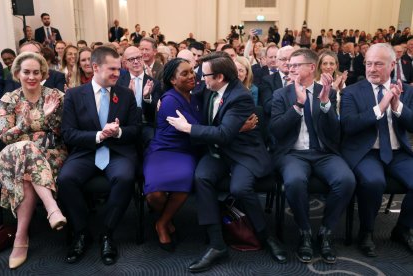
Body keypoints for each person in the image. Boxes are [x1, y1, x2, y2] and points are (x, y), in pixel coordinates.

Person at [167, 52, 287, 273]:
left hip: (242, 152)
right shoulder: (209, 87)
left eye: (205, 76)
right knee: (201, 177)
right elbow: (177, 88)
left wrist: (188, 128)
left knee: (240, 188)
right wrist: (160, 101)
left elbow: (223, 134)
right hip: (218, 151)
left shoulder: (240, 96)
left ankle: (266, 236)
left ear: (220, 77)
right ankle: (216, 244)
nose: (200, 80)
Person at [270, 48, 356, 264]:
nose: (291, 69)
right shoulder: (282, 94)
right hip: (293, 153)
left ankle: (326, 231)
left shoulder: (326, 90)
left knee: (346, 180)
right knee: (295, 181)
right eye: (290, 65)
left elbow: (335, 134)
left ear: (310, 67)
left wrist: (326, 103)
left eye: (296, 65)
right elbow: (276, 131)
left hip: (323, 152)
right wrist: (298, 105)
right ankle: (304, 232)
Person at [57, 46, 140, 265]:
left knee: (124, 178)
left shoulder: (126, 94)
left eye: (118, 68)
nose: (117, 73)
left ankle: (107, 233)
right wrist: (98, 135)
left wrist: (119, 131)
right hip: (86, 150)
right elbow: (68, 133)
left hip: (117, 151)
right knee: (65, 180)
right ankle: (82, 232)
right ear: (95, 67)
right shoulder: (74, 95)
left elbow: (136, 129)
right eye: (112, 69)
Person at [340, 43, 413, 257]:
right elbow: (348, 125)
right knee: (374, 182)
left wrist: (398, 106)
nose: (372, 69)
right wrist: (380, 108)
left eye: (378, 64)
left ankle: (402, 229)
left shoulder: (406, 91)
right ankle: (367, 231)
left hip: (397, 151)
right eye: (368, 63)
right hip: (366, 152)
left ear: (392, 65)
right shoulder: (352, 92)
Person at [0, 52, 67, 269]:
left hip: (50, 152)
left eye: (36, 72)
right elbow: (5, 135)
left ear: (43, 73)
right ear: (17, 73)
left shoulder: (55, 96)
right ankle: (52, 209)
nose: (31, 77)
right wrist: (29, 123)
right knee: (25, 148)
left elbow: (64, 131)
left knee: (26, 176)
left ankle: (20, 237)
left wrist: (50, 116)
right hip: (13, 155)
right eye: (26, 72)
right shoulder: (9, 99)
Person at [144, 58, 202, 252]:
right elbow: (197, 128)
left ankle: (162, 223)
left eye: (192, 71)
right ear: (172, 80)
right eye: (184, 74)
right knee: (154, 195)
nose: (191, 76)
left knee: (183, 182)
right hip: (163, 150)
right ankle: (166, 218)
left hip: (184, 151)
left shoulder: (193, 96)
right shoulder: (169, 100)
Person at [117, 46, 162, 148]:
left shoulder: (154, 83)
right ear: (125, 63)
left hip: (146, 124)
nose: (136, 62)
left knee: (151, 140)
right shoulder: (119, 83)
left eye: (139, 58)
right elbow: (117, 110)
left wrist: (147, 97)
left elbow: (156, 110)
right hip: (126, 124)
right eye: (132, 59)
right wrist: (129, 97)